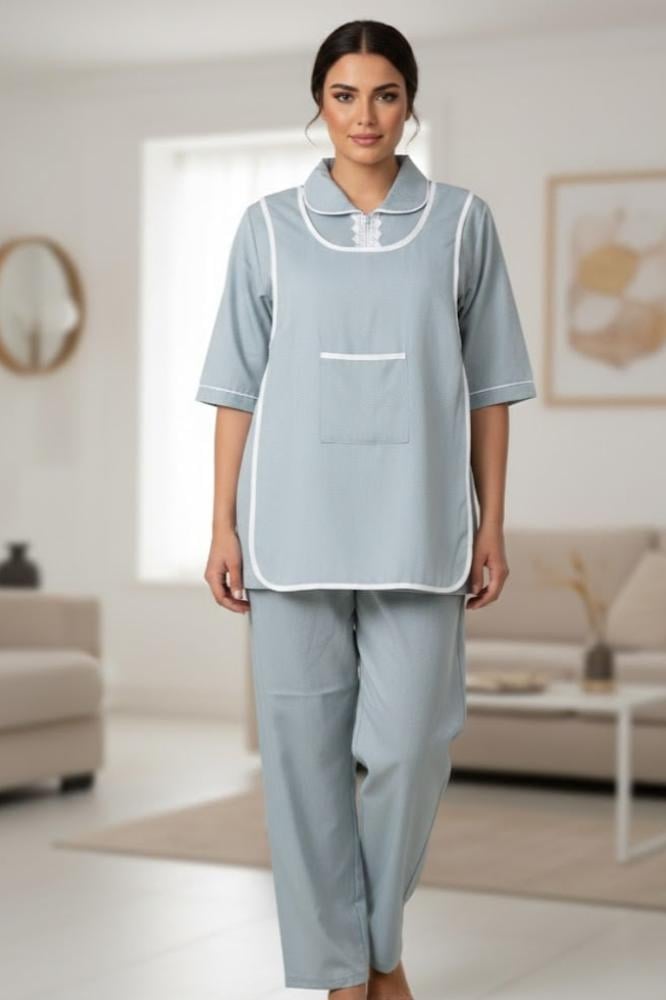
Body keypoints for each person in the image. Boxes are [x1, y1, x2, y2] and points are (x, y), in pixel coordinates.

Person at [196, 19, 536, 1000]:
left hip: (421, 528)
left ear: (409, 103)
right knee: (302, 765)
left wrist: (493, 522)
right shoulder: (267, 227)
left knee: (412, 745)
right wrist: (221, 523)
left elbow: (491, 388)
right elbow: (235, 388)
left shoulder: (462, 224)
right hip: (290, 530)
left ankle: (376, 945)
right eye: (344, 95)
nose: (365, 116)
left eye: (385, 94)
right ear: (320, 104)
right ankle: (348, 976)